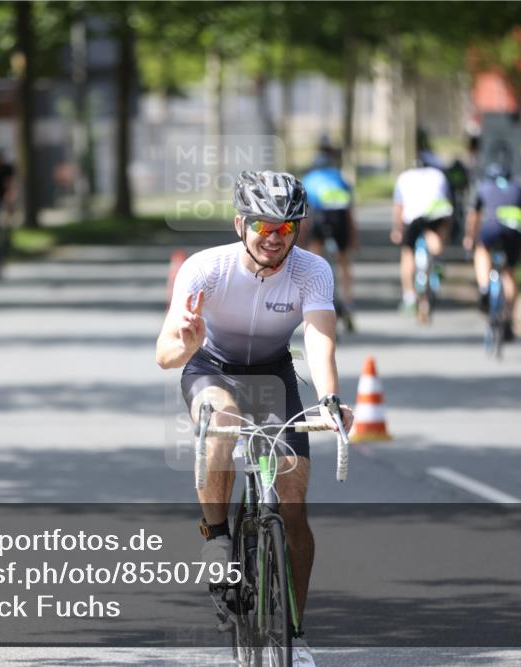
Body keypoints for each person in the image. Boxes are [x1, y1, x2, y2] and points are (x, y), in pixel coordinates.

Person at [155, 170, 354, 667]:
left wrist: (328, 399)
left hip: (273, 373)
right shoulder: (206, 269)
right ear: (240, 222)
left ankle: (296, 634)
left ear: (298, 231)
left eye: (286, 228)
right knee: (219, 420)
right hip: (210, 367)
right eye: (264, 226)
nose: (273, 238)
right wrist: (187, 341)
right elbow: (163, 355)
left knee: (293, 508)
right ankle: (217, 538)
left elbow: (319, 337)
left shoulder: (312, 271)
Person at [463, 163, 521, 342]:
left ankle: (484, 288)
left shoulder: (483, 186)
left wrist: (470, 237)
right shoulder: (519, 188)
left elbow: (474, 216)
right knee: (509, 273)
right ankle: (509, 318)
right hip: (515, 227)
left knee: (482, 251)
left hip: (492, 226)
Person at [390, 159, 453, 312]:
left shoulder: (404, 177)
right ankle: (438, 258)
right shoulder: (439, 175)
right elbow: (448, 201)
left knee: (407, 253)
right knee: (439, 228)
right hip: (437, 215)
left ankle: (409, 296)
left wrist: (397, 229)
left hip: (413, 217)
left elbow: (398, 207)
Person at [302, 138, 356, 306]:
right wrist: (354, 237)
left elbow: (304, 214)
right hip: (339, 216)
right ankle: (348, 300)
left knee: (313, 258)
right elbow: (349, 210)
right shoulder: (339, 176)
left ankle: (311, 298)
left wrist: (302, 241)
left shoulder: (308, 179)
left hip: (319, 216)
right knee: (343, 259)